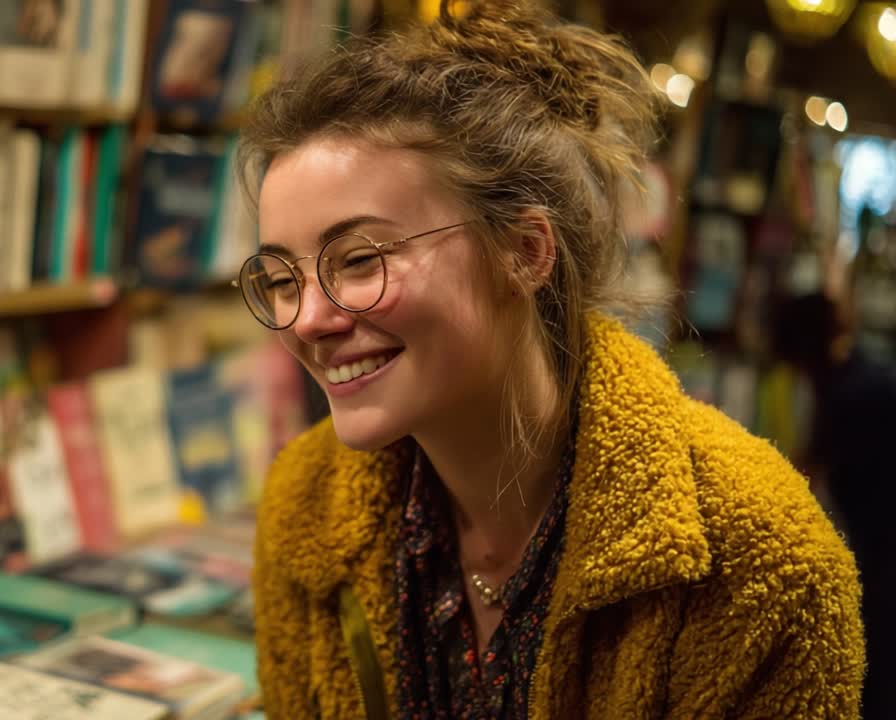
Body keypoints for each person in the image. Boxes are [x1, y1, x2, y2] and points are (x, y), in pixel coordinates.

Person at [236, 3, 864, 718]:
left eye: (358, 260)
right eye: (282, 280)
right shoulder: (305, 507)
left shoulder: (757, 559)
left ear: (526, 253)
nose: (309, 319)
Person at [773, 291, 894, 720]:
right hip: (876, 539)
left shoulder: (850, 394)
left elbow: (810, 471)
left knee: (876, 667)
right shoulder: (857, 374)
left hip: (882, 547)